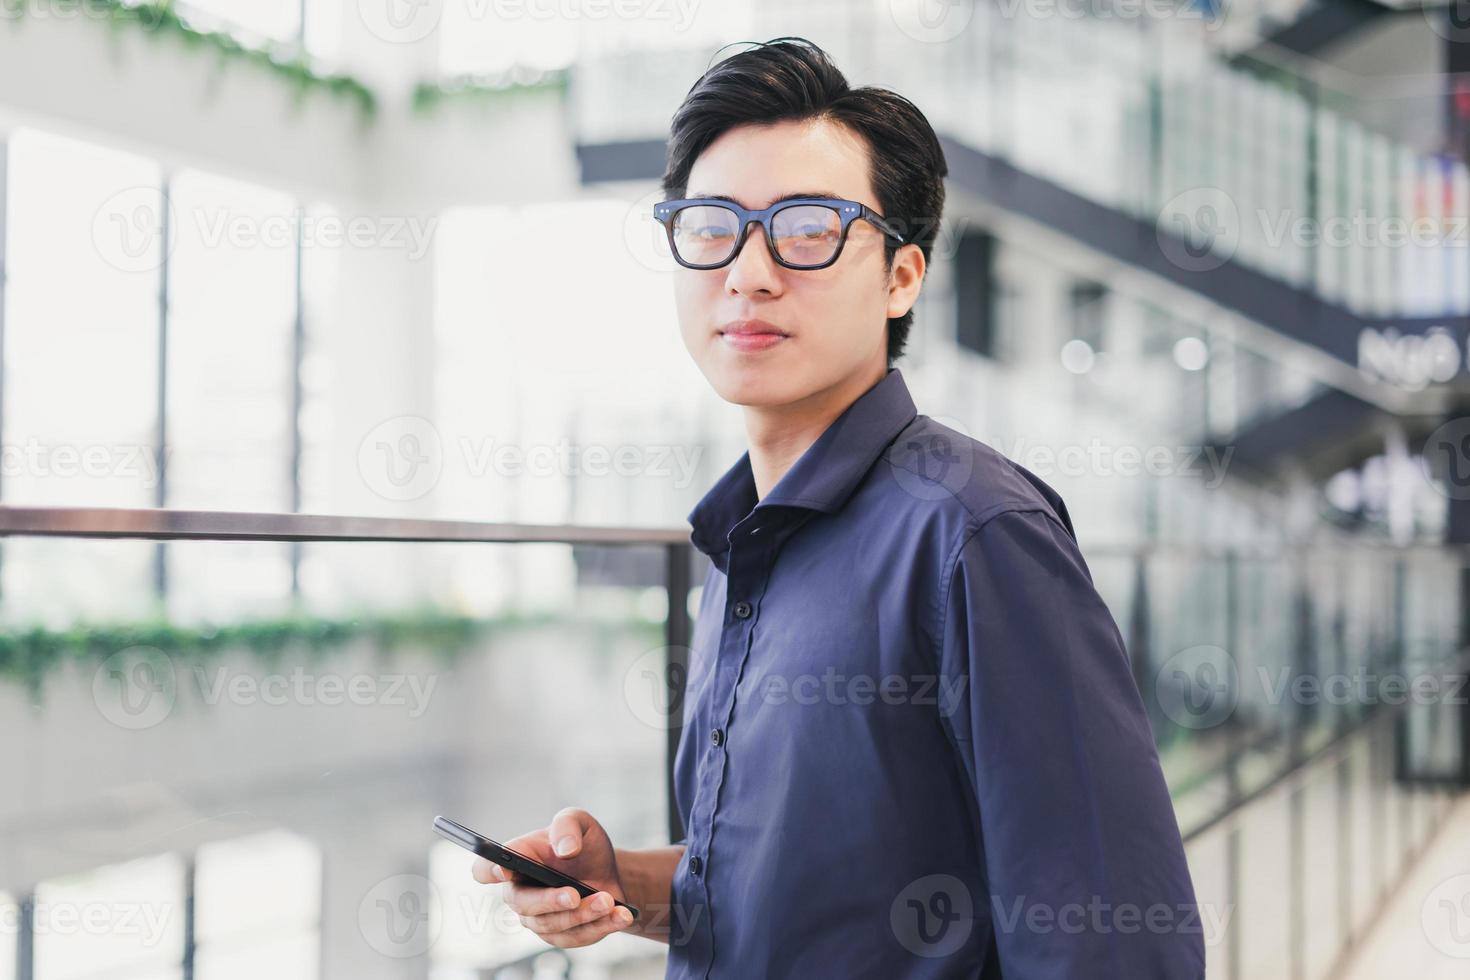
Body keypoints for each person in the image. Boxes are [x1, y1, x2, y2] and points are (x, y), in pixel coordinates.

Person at [472, 37, 1205, 979]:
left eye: (807, 226)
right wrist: (623, 886)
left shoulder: (974, 534)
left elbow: (1114, 944)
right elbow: (781, 884)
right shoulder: (743, 543)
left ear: (903, 275)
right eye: (711, 225)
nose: (750, 270)